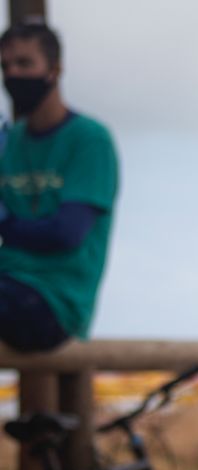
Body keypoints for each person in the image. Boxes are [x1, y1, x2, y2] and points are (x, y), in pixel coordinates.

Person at [0, 22, 118, 352]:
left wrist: (7, 225)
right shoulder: (10, 142)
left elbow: (66, 233)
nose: (12, 74)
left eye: (24, 63)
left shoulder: (89, 140)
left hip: (56, 304)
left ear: (54, 70)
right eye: (5, 66)